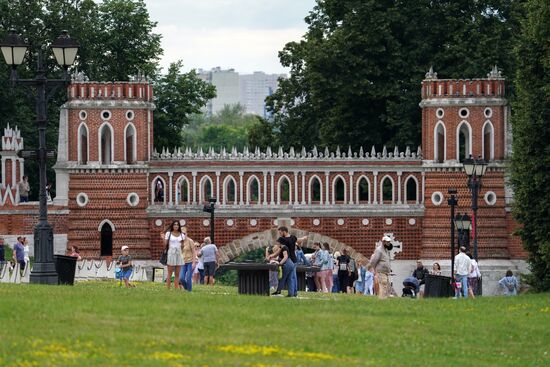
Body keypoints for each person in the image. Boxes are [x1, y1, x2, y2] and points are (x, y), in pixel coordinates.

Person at [160, 221, 185, 289]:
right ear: (172, 226)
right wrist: (163, 238)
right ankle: (168, 289)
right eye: (174, 225)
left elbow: (183, 245)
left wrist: (181, 251)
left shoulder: (182, 235)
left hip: (179, 253)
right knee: (170, 273)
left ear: (179, 226)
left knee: (177, 273)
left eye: (177, 225)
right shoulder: (169, 233)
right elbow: (165, 244)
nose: (176, 226)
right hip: (171, 252)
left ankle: (176, 288)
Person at [275, 226, 298, 297]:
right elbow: (298, 241)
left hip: (288, 260)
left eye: (280, 232)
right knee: (293, 277)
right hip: (294, 259)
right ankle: (294, 292)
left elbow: (279, 250)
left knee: (289, 278)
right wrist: (303, 238)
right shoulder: (293, 237)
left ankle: (290, 294)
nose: (280, 234)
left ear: (284, 231)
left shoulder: (283, 239)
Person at [370, 235, 393, 299]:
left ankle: (385, 298)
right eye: (387, 242)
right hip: (381, 271)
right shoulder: (379, 250)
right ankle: (382, 298)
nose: (389, 243)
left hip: (386, 272)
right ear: (383, 242)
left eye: (389, 242)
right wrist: (374, 269)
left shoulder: (386, 250)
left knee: (387, 286)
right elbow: (374, 261)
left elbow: (387, 260)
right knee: (383, 284)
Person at [179, 227, 195, 292]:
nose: (183, 235)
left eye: (184, 233)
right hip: (183, 262)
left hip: (190, 262)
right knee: (181, 278)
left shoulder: (190, 241)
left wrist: (194, 262)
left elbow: (194, 252)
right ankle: (186, 288)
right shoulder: (180, 242)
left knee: (188, 277)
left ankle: (189, 291)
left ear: (186, 234)